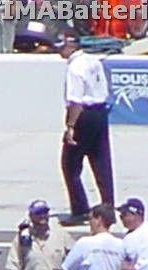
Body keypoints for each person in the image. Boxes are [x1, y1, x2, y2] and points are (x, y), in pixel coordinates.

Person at [56, 32, 113, 227]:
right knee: (102, 162)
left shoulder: (74, 68)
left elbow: (76, 101)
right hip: (100, 113)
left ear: (72, 46)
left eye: (61, 46)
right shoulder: (93, 61)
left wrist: (70, 127)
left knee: (70, 165)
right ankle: (108, 207)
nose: (59, 51)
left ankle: (79, 209)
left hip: (83, 116)